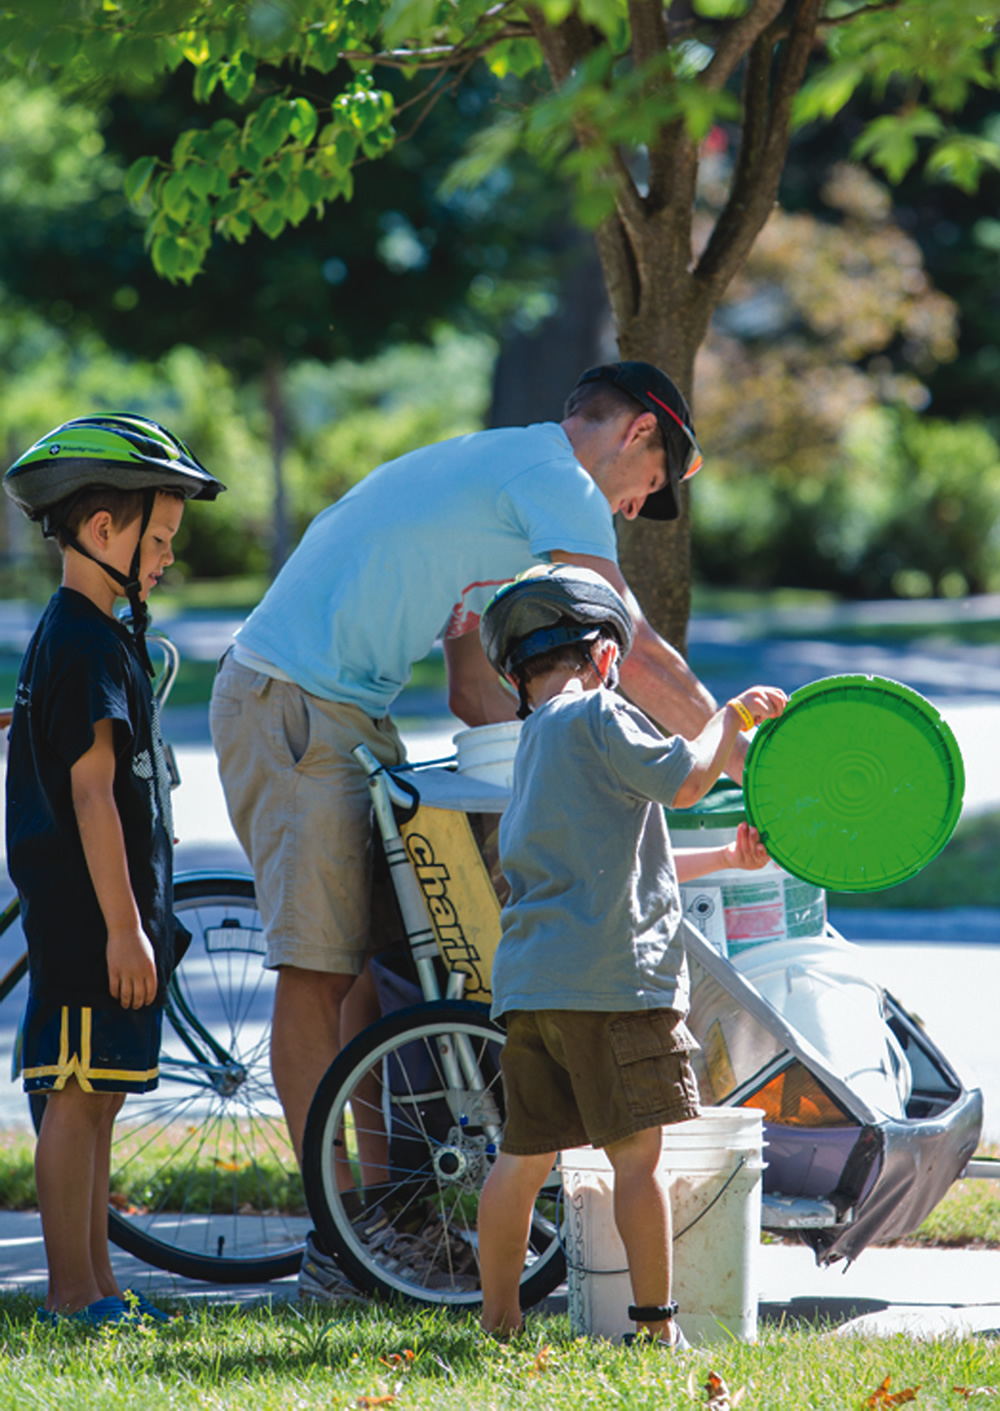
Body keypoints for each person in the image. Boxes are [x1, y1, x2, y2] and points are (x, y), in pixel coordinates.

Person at [208, 359, 745, 1300]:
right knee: (316, 968)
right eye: (647, 489)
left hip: (348, 708)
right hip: (290, 700)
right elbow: (635, 645)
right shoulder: (555, 479)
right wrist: (735, 754)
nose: (629, 510)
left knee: (367, 978)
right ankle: (335, 1242)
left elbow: (473, 688)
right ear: (635, 435)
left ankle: (382, 1220)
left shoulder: (494, 511)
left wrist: (555, 791)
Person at [474, 564, 787, 1345]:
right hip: (613, 985)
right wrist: (728, 716)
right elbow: (685, 778)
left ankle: (499, 1317)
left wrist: (723, 858)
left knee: (521, 1156)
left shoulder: (534, 745)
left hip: (533, 990)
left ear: (518, 673)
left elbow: (627, 858)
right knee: (638, 1159)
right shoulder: (600, 714)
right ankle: (655, 1329)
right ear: (605, 656)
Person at [3, 415, 225, 1324]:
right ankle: (69, 1293)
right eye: (160, 538)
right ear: (105, 532)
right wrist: (126, 927)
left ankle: (98, 1284)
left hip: (102, 912)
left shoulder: (89, 631)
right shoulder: (87, 642)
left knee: (95, 1101)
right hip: (94, 919)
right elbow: (93, 795)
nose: (167, 557)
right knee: (76, 1095)